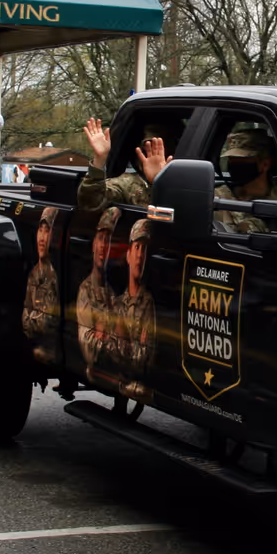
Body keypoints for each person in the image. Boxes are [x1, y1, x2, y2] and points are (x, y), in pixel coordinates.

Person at [78, 115, 180, 211]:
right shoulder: (128, 183)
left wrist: (158, 182)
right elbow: (91, 203)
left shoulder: (184, 183)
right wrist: (99, 160)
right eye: (145, 150)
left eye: (157, 149)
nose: (151, 155)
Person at [214, 127, 277, 235]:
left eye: (241, 161)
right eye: (231, 161)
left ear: (265, 164)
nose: (233, 166)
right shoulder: (219, 199)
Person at [76, 211, 119, 382]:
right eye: (100, 238)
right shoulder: (86, 290)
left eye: (108, 240)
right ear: (93, 244)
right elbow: (90, 351)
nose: (103, 246)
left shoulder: (111, 294)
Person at [116, 218, 156, 398]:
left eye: (145, 249)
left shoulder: (149, 305)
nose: (140, 255)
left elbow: (144, 359)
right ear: (128, 254)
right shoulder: (117, 303)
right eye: (137, 248)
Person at [21, 207, 62, 366]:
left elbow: (47, 323)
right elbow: (26, 320)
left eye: (48, 231)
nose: (42, 238)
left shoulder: (53, 278)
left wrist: (32, 319)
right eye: (41, 230)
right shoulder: (34, 273)